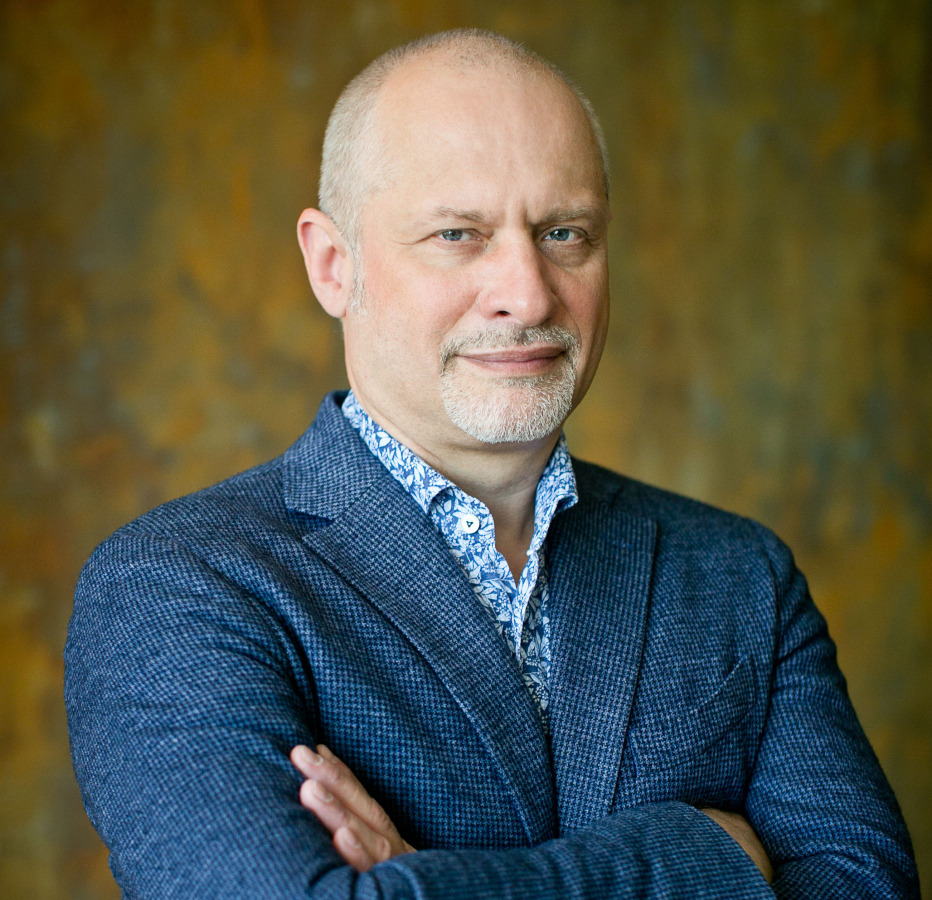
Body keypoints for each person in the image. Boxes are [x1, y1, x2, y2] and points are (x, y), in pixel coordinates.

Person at [65, 29, 919, 899]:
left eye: (564, 233)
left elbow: (866, 887)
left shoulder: (741, 576)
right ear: (333, 265)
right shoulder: (176, 584)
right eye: (457, 234)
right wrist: (711, 855)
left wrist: (419, 882)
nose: (528, 292)